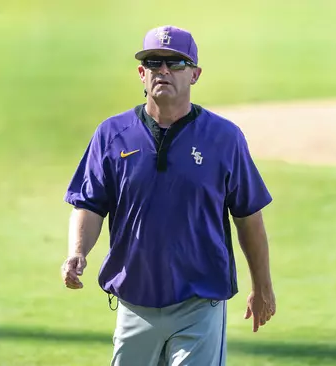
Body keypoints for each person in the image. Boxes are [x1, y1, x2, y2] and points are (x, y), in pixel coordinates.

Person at [61, 25, 276, 366]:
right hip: (134, 302)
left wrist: (262, 286)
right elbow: (89, 204)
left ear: (195, 74)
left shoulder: (224, 138)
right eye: (154, 62)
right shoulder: (112, 134)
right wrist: (77, 252)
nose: (163, 70)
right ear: (141, 73)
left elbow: (248, 217)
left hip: (198, 302)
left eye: (175, 63)